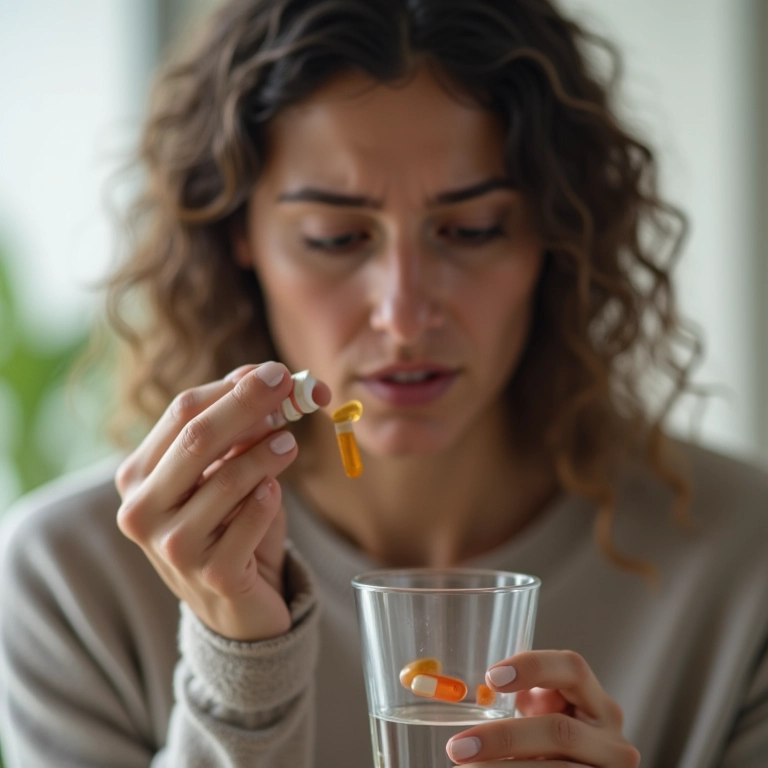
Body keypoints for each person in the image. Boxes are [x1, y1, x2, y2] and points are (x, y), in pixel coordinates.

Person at [1, 0, 767, 765]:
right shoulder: (71, 583)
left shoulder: (744, 561)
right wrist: (239, 678)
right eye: (335, 238)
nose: (403, 316)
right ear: (239, 237)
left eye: (471, 230)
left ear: (557, 235)